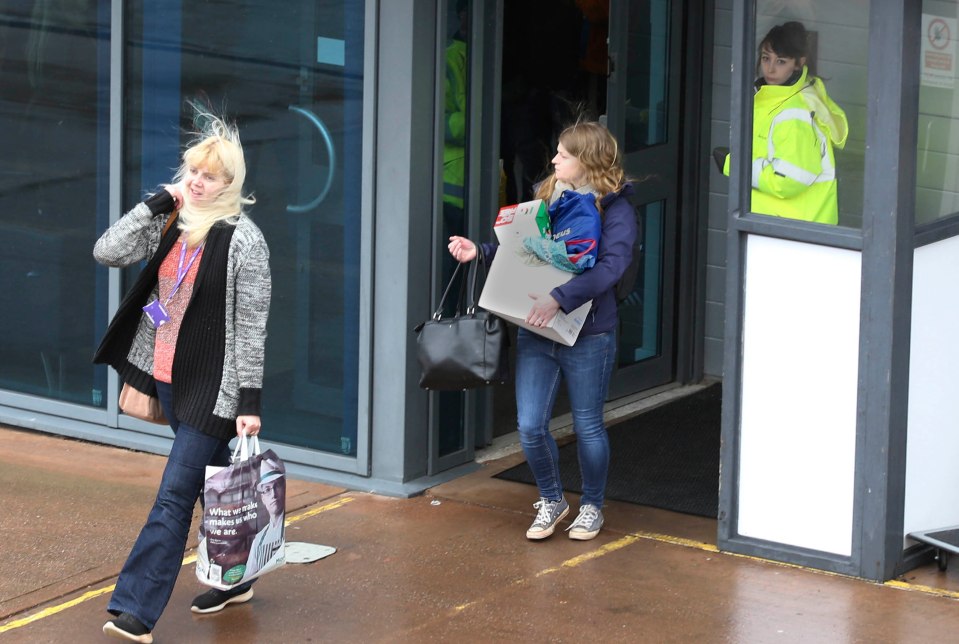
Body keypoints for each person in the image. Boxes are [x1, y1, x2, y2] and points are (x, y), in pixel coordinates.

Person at [93, 104, 271, 643]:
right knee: (218, 486)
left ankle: (136, 610)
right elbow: (107, 251)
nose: (196, 181)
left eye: (208, 175)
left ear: (229, 182)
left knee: (173, 495)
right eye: (191, 171)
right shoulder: (173, 222)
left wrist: (248, 401)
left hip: (213, 392)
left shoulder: (245, 241)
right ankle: (235, 577)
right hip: (169, 379)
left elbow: (251, 327)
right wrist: (154, 205)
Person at [448, 121, 637, 541]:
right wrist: (480, 251)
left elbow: (611, 267)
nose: (554, 160)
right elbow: (525, 246)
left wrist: (561, 297)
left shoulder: (618, 208)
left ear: (586, 160)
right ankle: (552, 500)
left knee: (587, 424)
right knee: (530, 425)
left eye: (563, 154)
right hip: (537, 326)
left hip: (587, 332)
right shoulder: (549, 194)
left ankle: (591, 506)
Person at [720, 21, 848, 225]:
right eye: (765, 58)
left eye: (781, 61)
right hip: (781, 226)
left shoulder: (795, 112)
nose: (770, 68)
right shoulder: (771, 99)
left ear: (798, 63)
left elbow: (786, 181)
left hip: (793, 233)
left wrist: (733, 165)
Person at [244, 458, 286, 578]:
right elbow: (248, 574)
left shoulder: (285, 525)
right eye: (267, 490)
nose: (273, 494)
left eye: (276, 486)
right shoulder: (259, 540)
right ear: (263, 498)